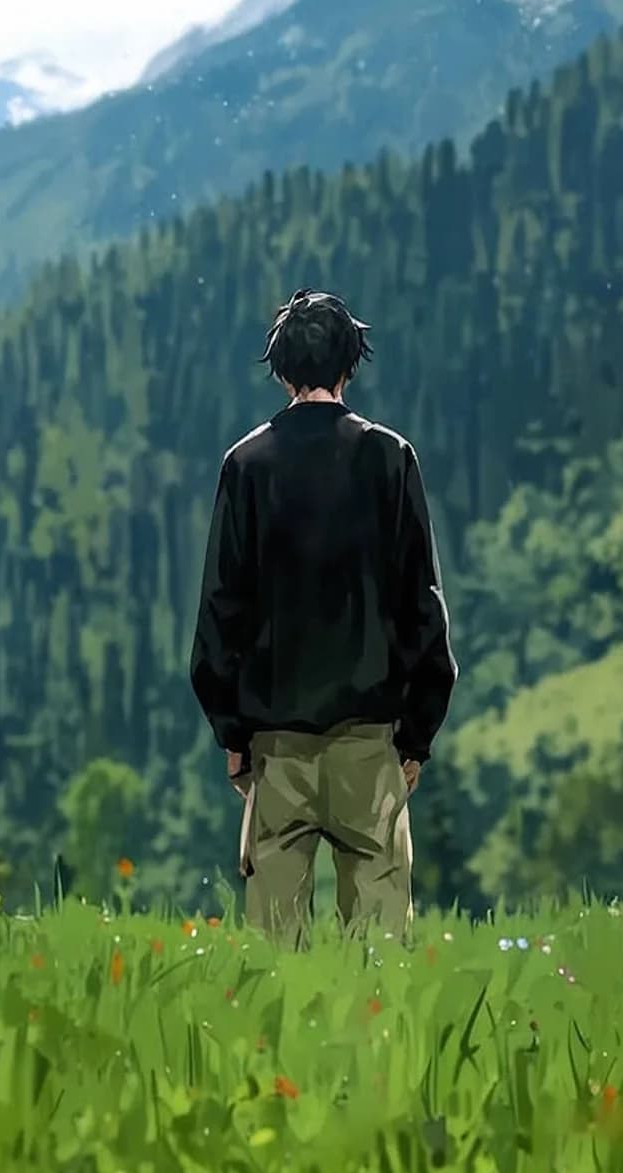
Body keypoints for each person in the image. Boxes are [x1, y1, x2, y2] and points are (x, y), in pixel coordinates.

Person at [188, 287, 457, 944]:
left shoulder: (246, 465)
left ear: (281, 368)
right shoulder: (390, 458)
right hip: (371, 743)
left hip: (276, 747)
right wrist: (416, 737)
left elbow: (220, 614)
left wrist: (233, 733)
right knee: (379, 958)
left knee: (273, 955)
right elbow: (422, 608)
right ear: (349, 365)